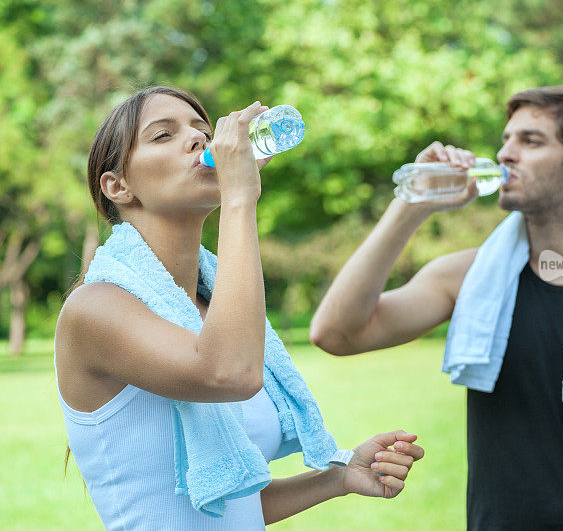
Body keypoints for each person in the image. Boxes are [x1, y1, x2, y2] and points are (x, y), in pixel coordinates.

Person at [310, 85, 563, 529]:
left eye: (530, 141)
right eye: (506, 139)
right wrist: (411, 204)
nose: (506, 153)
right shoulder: (467, 276)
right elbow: (337, 334)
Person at [53, 86, 424, 530]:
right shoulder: (95, 308)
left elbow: (227, 499)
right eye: (163, 135)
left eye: (201, 130)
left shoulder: (213, 309)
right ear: (118, 186)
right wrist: (240, 198)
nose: (197, 140)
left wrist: (338, 478)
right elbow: (231, 373)